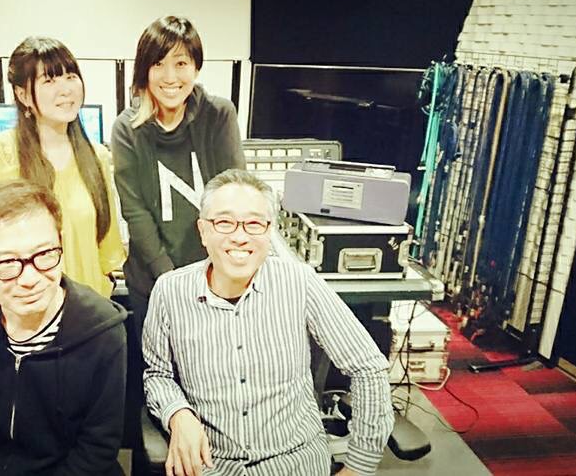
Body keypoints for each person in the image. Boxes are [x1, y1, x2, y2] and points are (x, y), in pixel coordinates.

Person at [143, 169, 394, 476]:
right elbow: (157, 374)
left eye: (254, 223)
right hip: (212, 465)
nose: (239, 236)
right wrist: (178, 414)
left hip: (295, 463)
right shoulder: (170, 291)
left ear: (269, 231)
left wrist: (358, 466)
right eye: (224, 222)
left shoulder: (299, 281)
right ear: (203, 231)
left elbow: (368, 367)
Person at [0, 180, 128, 475]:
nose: (29, 278)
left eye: (44, 255)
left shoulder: (103, 330)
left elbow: (97, 448)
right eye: (6, 263)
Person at [0, 36, 124, 297]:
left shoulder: (97, 157)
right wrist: (14, 295)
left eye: (70, 77)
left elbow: (108, 249)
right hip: (22, 311)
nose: (65, 90)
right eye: (49, 80)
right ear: (22, 94)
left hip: (87, 310)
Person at [111, 15, 246, 323]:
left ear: (196, 68)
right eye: (158, 64)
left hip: (217, 279)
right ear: (144, 70)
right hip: (153, 283)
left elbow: (234, 194)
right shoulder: (127, 129)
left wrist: (217, 273)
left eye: (181, 63)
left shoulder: (218, 115)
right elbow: (136, 212)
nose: (170, 76)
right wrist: (171, 280)